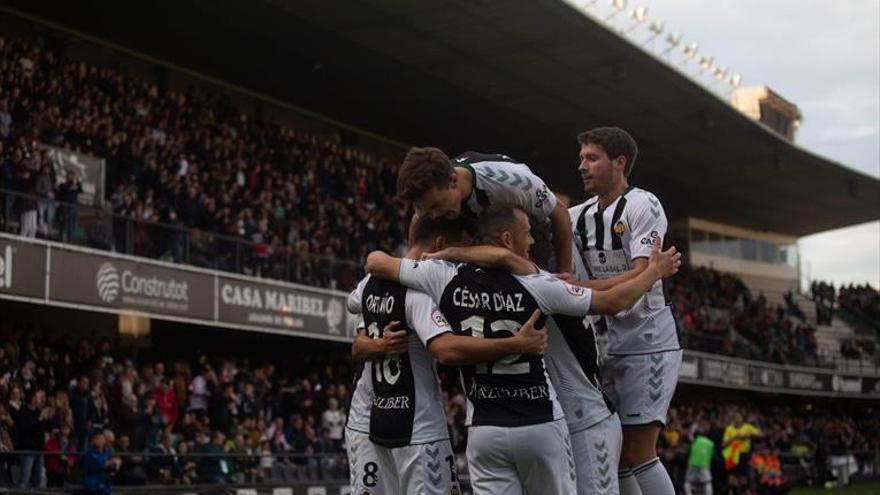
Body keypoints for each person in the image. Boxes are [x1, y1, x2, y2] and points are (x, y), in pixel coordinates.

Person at [365, 206, 680, 495]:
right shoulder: (538, 283)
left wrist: (447, 254)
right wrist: (654, 272)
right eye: (526, 232)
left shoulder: (443, 277)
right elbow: (613, 301)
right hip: (541, 422)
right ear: (507, 239)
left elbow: (376, 261)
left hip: (484, 429)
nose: (530, 240)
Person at [347, 216, 546, 495]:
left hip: (371, 418)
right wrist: (517, 343)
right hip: (417, 427)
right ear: (440, 244)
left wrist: (375, 345)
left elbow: (353, 316)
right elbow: (445, 350)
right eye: (457, 251)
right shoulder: (420, 292)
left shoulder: (370, 283)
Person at [566, 127, 682, 495]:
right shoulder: (578, 216)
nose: (581, 165)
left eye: (592, 158)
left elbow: (639, 277)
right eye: (581, 157)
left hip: (649, 342)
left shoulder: (642, 205)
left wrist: (573, 288)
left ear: (619, 163)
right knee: (618, 455)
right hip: (609, 344)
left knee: (639, 451)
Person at [396, 147, 573, 272]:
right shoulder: (431, 195)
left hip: (532, 233)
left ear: (453, 181)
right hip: (483, 227)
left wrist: (565, 273)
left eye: (436, 206)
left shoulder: (511, 183)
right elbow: (418, 222)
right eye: (427, 209)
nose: (433, 215)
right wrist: (410, 272)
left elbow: (560, 213)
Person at [685, 424, 715, 495]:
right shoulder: (711, 444)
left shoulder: (695, 440)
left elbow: (689, 451)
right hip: (704, 465)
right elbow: (712, 456)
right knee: (707, 482)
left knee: (688, 482)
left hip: (693, 464)